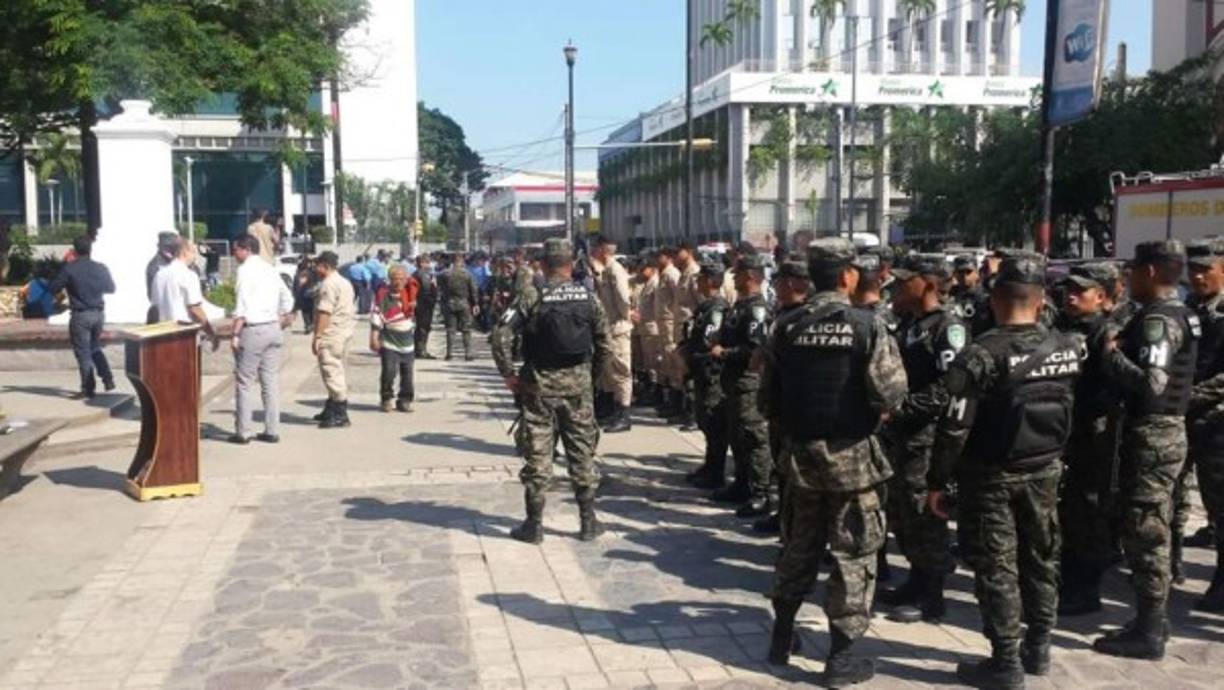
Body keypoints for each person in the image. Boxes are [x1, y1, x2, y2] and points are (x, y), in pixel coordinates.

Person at [927, 252, 1083, 688]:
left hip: (991, 476)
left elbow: (955, 426)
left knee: (997, 568)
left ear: (995, 298)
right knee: (1042, 558)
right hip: (1046, 469)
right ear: (1041, 300)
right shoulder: (1067, 348)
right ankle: (1040, 647)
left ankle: (1006, 661)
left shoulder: (980, 355)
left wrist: (937, 481)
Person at [761, 239, 907, 688]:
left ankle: (781, 638)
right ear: (846, 276)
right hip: (853, 464)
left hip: (801, 460)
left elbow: (768, 401)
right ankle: (841, 660)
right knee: (853, 555)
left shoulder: (783, 328)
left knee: (797, 547)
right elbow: (891, 394)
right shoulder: (868, 326)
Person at [1094, 240, 1199, 660]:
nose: (1128, 277)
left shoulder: (1159, 320)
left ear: (1151, 272)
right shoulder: (1183, 312)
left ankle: (1149, 628)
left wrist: (1110, 355)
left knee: (1146, 530)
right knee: (1152, 522)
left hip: (1154, 434)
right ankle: (1152, 620)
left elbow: (1153, 382)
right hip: (1166, 432)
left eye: (1134, 270)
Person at [491, 238, 613, 543]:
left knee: (538, 454)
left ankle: (534, 525)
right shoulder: (588, 297)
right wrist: (591, 377)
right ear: (571, 264)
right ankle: (587, 521)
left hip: (538, 387)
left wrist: (509, 376)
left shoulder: (532, 295)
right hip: (578, 387)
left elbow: (500, 336)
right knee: (582, 451)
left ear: (543, 265)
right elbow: (606, 345)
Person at [876, 253, 967, 623]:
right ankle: (915, 578)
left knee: (924, 514)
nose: (898, 286)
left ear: (928, 284)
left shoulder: (949, 328)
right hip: (902, 435)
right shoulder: (910, 323)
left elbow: (951, 388)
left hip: (927, 437)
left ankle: (932, 595)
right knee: (901, 512)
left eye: (906, 279)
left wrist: (902, 409)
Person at [1053, 262, 1125, 617]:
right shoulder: (1059, 328)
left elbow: (1114, 386)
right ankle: (1068, 579)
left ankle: (1085, 589)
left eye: (1080, 291)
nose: (1071, 296)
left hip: (1093, 433)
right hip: (1062, 432)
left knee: (1089, 509)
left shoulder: (1106, 332)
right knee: (1068, 510)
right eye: (1068, 289)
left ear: (1101, 296)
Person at [711, 253, 773, 517]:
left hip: (748, 381)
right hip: (733, 381)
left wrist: (723, 353)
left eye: (736, 274)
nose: (733, 278)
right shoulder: (739, 306)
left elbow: (754, 348)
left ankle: (761, 491)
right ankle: (742, 483)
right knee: (737, 435)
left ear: (749, 275)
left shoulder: (757, 308)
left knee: (754, 437)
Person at [1184, 237, 1224, 610]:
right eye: (1192, 269)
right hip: (1190, 421)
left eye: (1205, 269)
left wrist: (1186, 396)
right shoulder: (1189, 308)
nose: (1197, 276)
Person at [228, 235, 295, 444]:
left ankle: (243, 431)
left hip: (253, 328)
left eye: (236, 249)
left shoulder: (245, 270)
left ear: (245, 249)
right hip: (273, 328)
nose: (233, 254)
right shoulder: (270, 268)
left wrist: (236, 333)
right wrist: (282, 316)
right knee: (270, 381)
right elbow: (287, 298)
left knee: (245, 382)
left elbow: (242, 304)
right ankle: (272, 429)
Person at [680, 261, 731, 490]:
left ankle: (715, 471)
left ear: (711, 281)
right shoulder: (705, 307)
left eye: (701, 278)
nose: (697, 282)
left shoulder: (716, 309)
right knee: (705, 420)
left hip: (711, 374)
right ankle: (709, 465)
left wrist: (694, 355)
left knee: (713, 424)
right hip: (699, 372)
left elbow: (709, 343)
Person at [47, 236, 116, 399]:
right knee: (95, 347)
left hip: (81, 315)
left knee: (83, 352)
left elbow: (53, 288)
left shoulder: (70, 269)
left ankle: (88, 388)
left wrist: (65, 266)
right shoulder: (100, 267)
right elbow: (111, 288)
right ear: (90, 249)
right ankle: (108, 379)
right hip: (98, 314)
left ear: (74, 250)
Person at [590, 236, 633, 433]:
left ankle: (624, 414)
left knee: (621, 372)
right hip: (609, 328)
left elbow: (624, 299)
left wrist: (627, 316)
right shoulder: (605, 271)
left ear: (603, 250)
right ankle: (612, 410)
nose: (592, 251)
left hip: (618, 328)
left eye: (595, 248)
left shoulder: (615, 270)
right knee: (609, 372)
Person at [313, 251, 357, 429]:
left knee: (331, 371)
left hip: (332, 333)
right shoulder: (344, 282)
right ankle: (331, 406)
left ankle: (340, 412)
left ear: (326, 266)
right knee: (337, 369)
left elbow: (325, 312)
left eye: (318, 265)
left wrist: (317, 335)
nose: (316, 269)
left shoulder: (328, 284)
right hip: (345, 331)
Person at [151, 237, 220, 348]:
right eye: (193, 252)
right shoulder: (188, 275)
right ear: (185, 252)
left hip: (162, 335)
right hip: (184, 336)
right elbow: (194, 309)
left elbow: (154, 308)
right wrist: (211, 332)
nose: (194, 256)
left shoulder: (159, 275)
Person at [370, 265, 420, 413]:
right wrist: (374, 338)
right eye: (395, 279)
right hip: (389, 340)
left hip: (407, 341)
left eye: (401, 279)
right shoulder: (383, 295)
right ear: (390, 280)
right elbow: (376, 317)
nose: (398, 282)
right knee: (389, 372)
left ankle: (404, 400)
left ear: (405, 280)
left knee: (408, 374)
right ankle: (386, 399)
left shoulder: (411, 295)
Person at [671, 241, 702, 429]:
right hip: (681, 329)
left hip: (691, 330)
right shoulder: (684, 273)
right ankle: (685, 410)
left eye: (678, 252)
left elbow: (701, 303)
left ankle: (693, 415)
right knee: (682, 370)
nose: (675, 256)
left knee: (691, 371)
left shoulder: (694, 273)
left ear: (689, 252)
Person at [654, 248, 682, 417]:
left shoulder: (672, 274)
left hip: (670, 324)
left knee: (674, 362)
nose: (658, 259)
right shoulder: (663, 274)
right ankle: (671, 401)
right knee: (666, 365)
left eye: (661, 256)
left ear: (669, 258)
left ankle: (678, 405)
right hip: (663, 325)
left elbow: (678, 299)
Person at [441, 253, 478, 361]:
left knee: (450, 329)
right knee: (466, 329)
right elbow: (473, 290)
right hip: (463, 303)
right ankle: (468, 353)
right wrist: (475, 303)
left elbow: (441, 289)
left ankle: (449, 353)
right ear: (461, 261)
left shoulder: (445, 274)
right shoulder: (467, 274)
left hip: (449, 303)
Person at [144, 231, 180, 323]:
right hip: (163, 317)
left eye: (173, 248)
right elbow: (152, 295)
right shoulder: (154, 266)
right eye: (167, 247)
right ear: (159, 246)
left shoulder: (177, 263)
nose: (171, 251)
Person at [414, 255, 438, 359]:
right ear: (422, 263)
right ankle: (421, 350)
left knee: (420, 327)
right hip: (425, 304)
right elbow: (427, 290)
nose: (429, 265)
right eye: (427, 262)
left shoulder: (415, 274)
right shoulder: (424, 275)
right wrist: (434, 288)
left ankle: (419, 349)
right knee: (423, 327)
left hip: (420, 303)